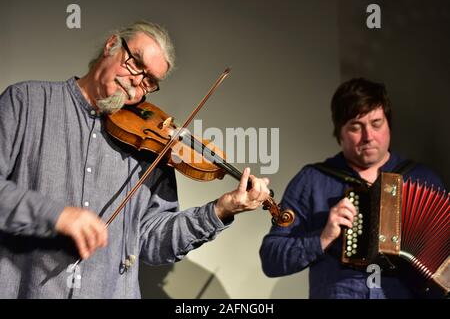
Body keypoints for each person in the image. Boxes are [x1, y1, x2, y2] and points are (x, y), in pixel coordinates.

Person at [0, 21, 271, 298]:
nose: (136, 82)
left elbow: (153, 242)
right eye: (134, 63)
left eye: (150, 81)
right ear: (111, 45)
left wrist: (220, 210)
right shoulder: (26, 103)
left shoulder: (149, 145)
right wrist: (57, 215)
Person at [259, 77, 446, 298]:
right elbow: (271, 259)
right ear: (339, 133)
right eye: (356, 127)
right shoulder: (312, 180)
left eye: (376, 124)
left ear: (389, 124)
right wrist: (323, 238)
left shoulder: (421, 178)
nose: (368, 136)